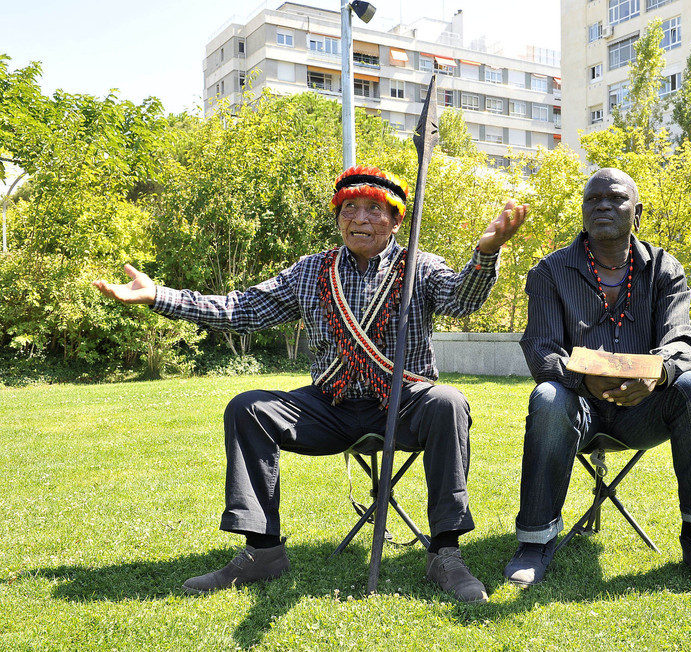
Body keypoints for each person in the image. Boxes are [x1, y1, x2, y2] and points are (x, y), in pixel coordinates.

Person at [94, 165, 528, 604]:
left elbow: (463, 299)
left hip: (404, 404)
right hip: (331, 405)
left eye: (375, 210)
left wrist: (487, 252)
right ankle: (262, 552)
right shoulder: (310, 271)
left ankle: (446, 553)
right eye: (349, 208)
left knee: (448, 400)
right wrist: (157, 296)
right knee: (248, 407)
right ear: (338, 218)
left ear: (397, 221)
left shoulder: (421, 265)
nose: (359, 219)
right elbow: (240, 309)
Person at [503, 167, 691, 591]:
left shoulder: (664, 268)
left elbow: (682, 338)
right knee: (547, 396)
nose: (603, 207)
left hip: (642, 409)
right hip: (578, 408)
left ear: (638, 211)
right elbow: (540, 347)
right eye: (593, 200)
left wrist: (657, 375)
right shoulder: (550, 271)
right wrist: (582, 378)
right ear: (583, 212)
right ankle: (535, 541)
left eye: (615, 198)